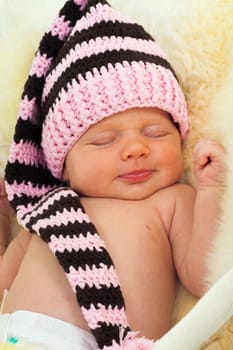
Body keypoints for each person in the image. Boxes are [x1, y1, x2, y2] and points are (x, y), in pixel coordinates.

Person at [1, 0, 227, 349]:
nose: (135, 149)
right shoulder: (47, 210)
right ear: (64, 164)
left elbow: (204, 278)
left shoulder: (170, 201)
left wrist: (212, 186)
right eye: (104, 140)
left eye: (155, 132)